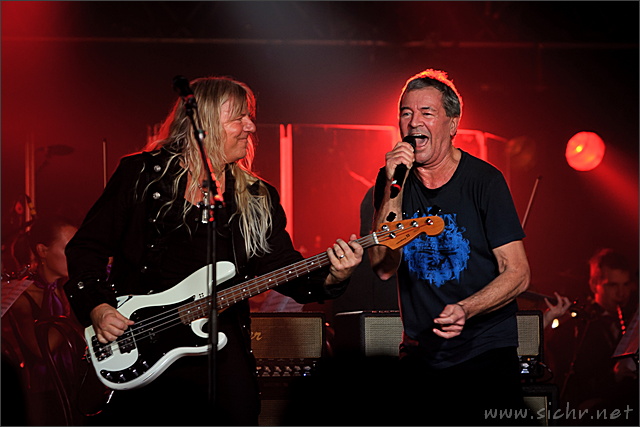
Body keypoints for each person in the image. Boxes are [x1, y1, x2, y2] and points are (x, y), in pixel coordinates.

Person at [63, 75, 363, 426]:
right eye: (239, 118)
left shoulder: (256, 197)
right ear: (203, 124)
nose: (251, 126)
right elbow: (86, 247)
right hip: (142, 341)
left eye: (250, 117)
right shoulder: (141, 176)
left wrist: (334, 275)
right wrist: (98, 307)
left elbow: (283, 267)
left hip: (220, 351)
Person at [367, 69, 531, 425]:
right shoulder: (391, 182)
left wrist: (466, 309)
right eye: (406, 113)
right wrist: (394, 185)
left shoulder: (485, 181)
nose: (414, 122)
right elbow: (382, 266)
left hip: (485, 350)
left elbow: (518, 273)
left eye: (427, 112)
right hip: (421, 354)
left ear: (452, 124)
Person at [1, 215, 88, 426]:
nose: (76, 256)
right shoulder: (23, 296)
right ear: (42, 251)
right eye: (69, 249)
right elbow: (42, 349)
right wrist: (71, 308)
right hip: (47, 398)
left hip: (83, 387)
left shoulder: (71, 287)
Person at [545, 248, 638, 425]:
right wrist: (614, 376)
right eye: (612, 285)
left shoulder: (632, 321)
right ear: (594, 284)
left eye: (626, 285)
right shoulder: (578, 326)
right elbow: (570, 380)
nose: (621, 294)